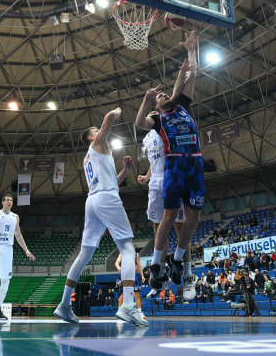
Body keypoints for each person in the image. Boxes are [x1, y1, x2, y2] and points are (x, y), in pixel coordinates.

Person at [53, 107, 146, 327]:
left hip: (93, 201)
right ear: (91, 137)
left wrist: (124, 170)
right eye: (96, 130)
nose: (101, 131)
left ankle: (64, 305)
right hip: (105, 198)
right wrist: (116, 111)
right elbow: (108, 119)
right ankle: (128, 306)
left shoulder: (89, 158)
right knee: (127, 248)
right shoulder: (97, 144)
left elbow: (111, 181)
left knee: (84, 254)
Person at [135, 31, 202, 293]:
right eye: (159, 98)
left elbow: (192, 77)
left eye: (164, 95)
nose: (162, 96)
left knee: (194, 219)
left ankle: (177, 260)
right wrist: (147, 99)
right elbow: (140, 122)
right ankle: (156, 267)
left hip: (194, 163)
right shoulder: (159, 120)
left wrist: (191, 52)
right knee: (169, 216)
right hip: (175, 166)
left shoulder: (183, 107)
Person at [137, 122, 194, 299]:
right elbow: (155, 159)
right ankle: (160, 276)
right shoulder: (147, 138)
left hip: (173, 179)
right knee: (158, 229)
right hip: (155, 184)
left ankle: (187, 275)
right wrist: (148, 176)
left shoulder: (170, 127)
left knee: (180, 228)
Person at [0, 194, 35, 321]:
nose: (9, 202)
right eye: (7, 200)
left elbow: (18, 234)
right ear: (2, 202)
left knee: (6, 280)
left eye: (11, 200)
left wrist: (26, 250)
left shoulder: (15, 217)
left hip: (8, 249)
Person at [114, 251, 146, 315]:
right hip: (125, 276)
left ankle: (139, 312)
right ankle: (119, 311)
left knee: (136, 293)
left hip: (134, 276)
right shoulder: (122, 253)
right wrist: (118, 267)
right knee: (123, 294)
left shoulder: (136, 254)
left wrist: (142, 275)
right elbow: (117, 262)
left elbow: (139, 266)